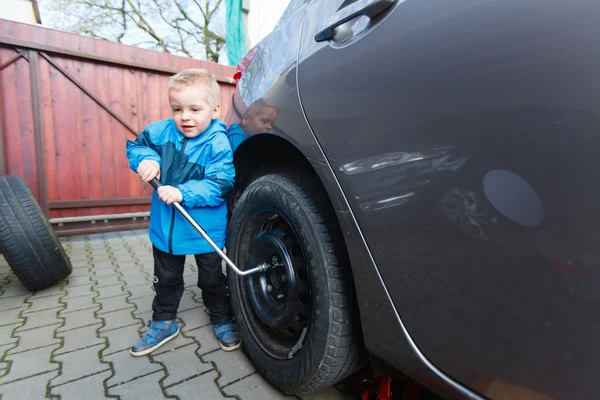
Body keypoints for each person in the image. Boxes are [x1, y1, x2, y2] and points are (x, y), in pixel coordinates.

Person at [126, 68, 239, 356]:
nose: (184, 116)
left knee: (212, 279)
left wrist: (182, 193)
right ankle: (164, 321)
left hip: (205, 231)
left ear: (214, 110)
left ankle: (222, 318)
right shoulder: (160, 131)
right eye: (177, 109)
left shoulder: (217, 142)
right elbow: (138, 147)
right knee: (165, 279)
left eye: (194, 109)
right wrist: (147, 160)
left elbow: (221, 182)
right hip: (166, 230)